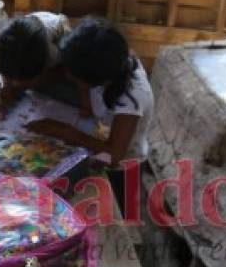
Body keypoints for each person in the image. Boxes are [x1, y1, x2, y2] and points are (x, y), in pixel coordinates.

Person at [25, 17, 154, 169]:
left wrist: (66, 132)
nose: (67, 77)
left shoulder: (132, 99)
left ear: (99, 81)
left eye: (77, 79)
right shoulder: (109, 58)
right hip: (102, 134)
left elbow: (114, 157)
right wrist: (86, 105)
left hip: (124, 162)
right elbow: (84, 82)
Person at [0, 11, 85, 118]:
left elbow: (68, 74)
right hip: (33, 45)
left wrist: (19, 88)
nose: (16, 83)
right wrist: (6, 89)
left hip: (60, 43)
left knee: (69, 96)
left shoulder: (57, 50)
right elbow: (8, 69)